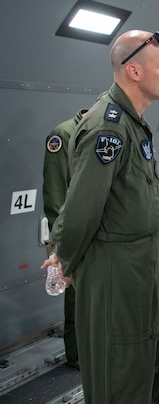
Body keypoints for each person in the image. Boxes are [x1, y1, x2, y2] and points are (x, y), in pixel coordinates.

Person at [43, 30, 159, 404]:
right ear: (134, 70)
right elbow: (80, 209)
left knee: (152, 364)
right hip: (115, 282)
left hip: (139, 276)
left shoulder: (133, 123)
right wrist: (63, 257)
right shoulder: (108, 129)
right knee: (120, 379)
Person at [42, 108, 89, 368]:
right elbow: (56, 194)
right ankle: (78, 354)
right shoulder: (62, 136)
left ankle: (91, 349)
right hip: (72, 235)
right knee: (76, 298)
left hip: (92, 231)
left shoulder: (95, 133)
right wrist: (62, 242)